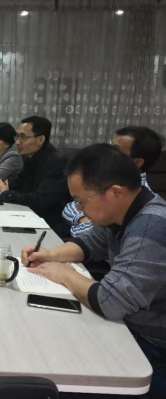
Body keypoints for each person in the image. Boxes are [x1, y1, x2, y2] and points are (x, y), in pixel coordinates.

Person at [22, 144, 166, 396]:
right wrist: (49, 254)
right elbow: (88, 244)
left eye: (81, 201)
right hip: (126, 324)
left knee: (49, 363)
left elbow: (112, 302)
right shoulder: (122, 212)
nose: (79, 209)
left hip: (149, 342)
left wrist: (65, 274)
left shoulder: (150, 226)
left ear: (115, 192)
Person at [63, 126, 165, 237]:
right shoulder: (104, 178)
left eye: (116, 149)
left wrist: (82, 220)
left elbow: (82, 233)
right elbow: (69, 208)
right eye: (110, 145)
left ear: (137, 162)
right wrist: (81, 218)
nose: (108, 152)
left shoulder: (136, 199)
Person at [0, 116, 71, 238]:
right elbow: (19, 182)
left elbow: (41, 200)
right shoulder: (30, 156)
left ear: (40, 139)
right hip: (30, 216)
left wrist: (6, 194)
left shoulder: (56, 161)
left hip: (50, 227)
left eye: (23, 137)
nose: (17, 142)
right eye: (17, 136)